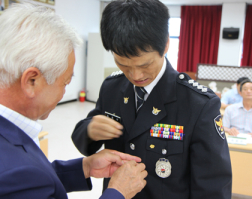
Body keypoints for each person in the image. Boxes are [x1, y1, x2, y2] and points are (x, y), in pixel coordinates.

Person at [72, 0, 232, 198]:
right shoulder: (112, 88)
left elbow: (212, 186)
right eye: (123, 65)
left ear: (165, 44)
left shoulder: (198, 103)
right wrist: (90, 131)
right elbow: (83, 142)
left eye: (145, 64)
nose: (135, 75)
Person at [0, 3, 147, 199]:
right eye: (65, 83)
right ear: (31, 81)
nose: (64, 93)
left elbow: (33, 182)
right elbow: (21, 177)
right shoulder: (5, 174)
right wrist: (117, 193)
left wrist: (84, 167)